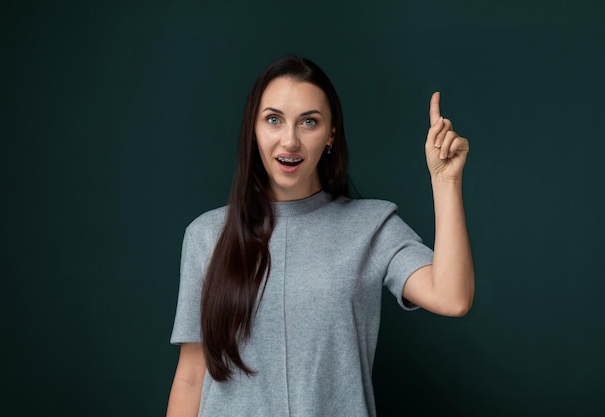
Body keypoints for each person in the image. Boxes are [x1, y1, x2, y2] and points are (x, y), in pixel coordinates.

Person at [166, 55, 474, 417]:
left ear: (330, 133)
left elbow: (452, 297)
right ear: (254, 129)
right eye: (273, 120)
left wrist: (446, 181)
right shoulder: (206, 236)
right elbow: (190, 376)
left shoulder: (371, 226)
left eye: (308, 122)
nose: (290, 140)